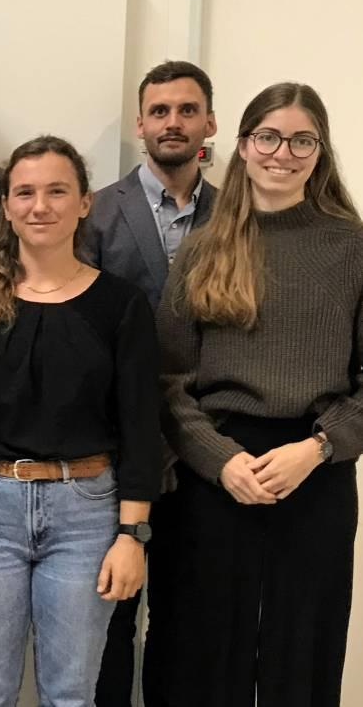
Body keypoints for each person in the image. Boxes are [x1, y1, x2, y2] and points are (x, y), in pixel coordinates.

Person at [145, 82, 363, 707]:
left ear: (319, 152)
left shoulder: (351, 248)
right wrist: (221, 461)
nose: (282, 153)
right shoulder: (202, 249)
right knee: (204, 652)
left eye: (302, 140)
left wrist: (318, 449)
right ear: (241, 146)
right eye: (268, 137)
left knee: (304, 649)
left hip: (315, 471)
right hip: (217, 473)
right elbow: (168, 383)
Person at [0, 135, 161, 707]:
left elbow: (140, 427)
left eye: (58, 191)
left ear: (85, 202)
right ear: (6, 205)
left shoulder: (121, 305)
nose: (40, 206)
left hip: (87, 514)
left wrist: (132, 536)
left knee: (72, 694)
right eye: (25, 192)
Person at [78, 60, 217, 707]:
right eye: (159, 111)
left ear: (209, 122)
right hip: (117, 447)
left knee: (190, 620)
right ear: (140, 124)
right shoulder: (99, 212)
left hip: (211, 446)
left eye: (187, 110)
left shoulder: (238, 215)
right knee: (110, 618)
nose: (172, 122)